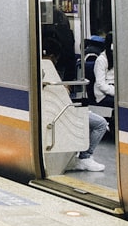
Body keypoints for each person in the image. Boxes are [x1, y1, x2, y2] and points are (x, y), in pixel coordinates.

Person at [44, 39, 106, 172]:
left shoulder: (46, 70)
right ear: (51, 56)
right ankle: (85, 157)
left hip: (62, 106)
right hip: (60, 110)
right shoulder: (45, 70)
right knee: (100, 124)